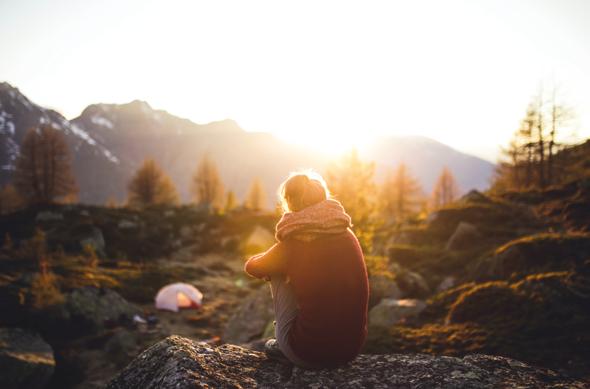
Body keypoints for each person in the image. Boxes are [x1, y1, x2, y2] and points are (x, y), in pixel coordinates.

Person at [244, 171, 369, 368]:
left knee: (276, 270)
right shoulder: (347, 233)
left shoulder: (294, 242)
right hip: (349, 351)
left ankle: (284, 340)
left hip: (308, 354)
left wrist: (278, 258)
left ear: (290, 202)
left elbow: (253, 267)